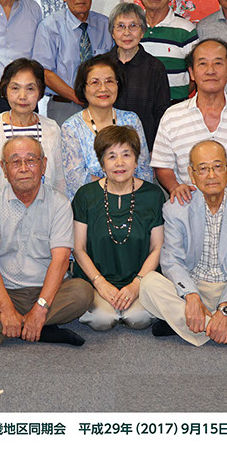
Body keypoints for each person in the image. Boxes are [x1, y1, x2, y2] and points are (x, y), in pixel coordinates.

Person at [139, 140, 227, 351]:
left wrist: (226, 307)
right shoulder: (176, 208)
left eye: (217, 166)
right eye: (203, 168)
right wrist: (191, 296)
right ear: (192, 174)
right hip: (193, 284)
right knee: (148, 284)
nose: (211, 175)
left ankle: (192, 323)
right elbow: (172, 260)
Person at [0, 136, 93, 347]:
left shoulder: (60, 204)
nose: (24, 168)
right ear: (4, 168)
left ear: (43, 165)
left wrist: (41, 307)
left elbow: (61, 260)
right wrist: (6, 308)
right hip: (4, 292)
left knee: (83, 292)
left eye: (31, 160)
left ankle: (12, 327)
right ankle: (43, 331)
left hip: (50, 291)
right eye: (15, 162)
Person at [151, 39, 227, 204]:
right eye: (202, 64)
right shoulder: (172, 117)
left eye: (218, 63)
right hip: (187, 207)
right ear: (192, 73)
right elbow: (163, 165)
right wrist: (175, 187)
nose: (210, 70)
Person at [71, 126, 164, 331]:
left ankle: (131, 302)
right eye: (111, 156)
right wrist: (100, 283)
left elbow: (157, 247)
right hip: (96, 279)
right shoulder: (86, 195)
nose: (119, 163)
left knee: (138, 319)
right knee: (102, 320)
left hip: (140, 279)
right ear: (102, 163)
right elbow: (79, 248)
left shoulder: (153, 195)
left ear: (136, 161)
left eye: (126, 155)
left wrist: (136, 284)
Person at [61, 55, 153, 199]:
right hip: (90, 202)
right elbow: (76, 180)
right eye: (95, 82)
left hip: (132, 199)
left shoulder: (131, 120)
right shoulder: (71, 127)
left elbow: (144, 171)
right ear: (83, 88)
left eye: (109, 81)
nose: (103, 88)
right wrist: (116, 191)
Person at [32, 0, 113, 126]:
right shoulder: (50, 27)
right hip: (64, 106)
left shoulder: (107, 25)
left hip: (102, 106)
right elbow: (45, 73)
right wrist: (79, 98)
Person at [0, 58, 64, 200]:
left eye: (30, 89)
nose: (22, 96)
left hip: (46, 209)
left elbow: (60, 182)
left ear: (40, 92)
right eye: (15, 88)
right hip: (1, 210)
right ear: (5, 90)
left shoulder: (52, 128)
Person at [103, 2, 170, 150]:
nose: (127, 33)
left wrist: (155, 150)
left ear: (142, 31)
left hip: (144, 147)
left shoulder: (155, 68)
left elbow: (161, 113)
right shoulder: (100, 66)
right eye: (120, 26)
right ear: (112, 32)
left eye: (133, 26)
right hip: (105, 147)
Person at [136, 0, 198, 102]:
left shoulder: (186, 30)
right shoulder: (132, 28)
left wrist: (175, 97)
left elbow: (197, 74)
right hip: (138, 108)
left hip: (175, 107)